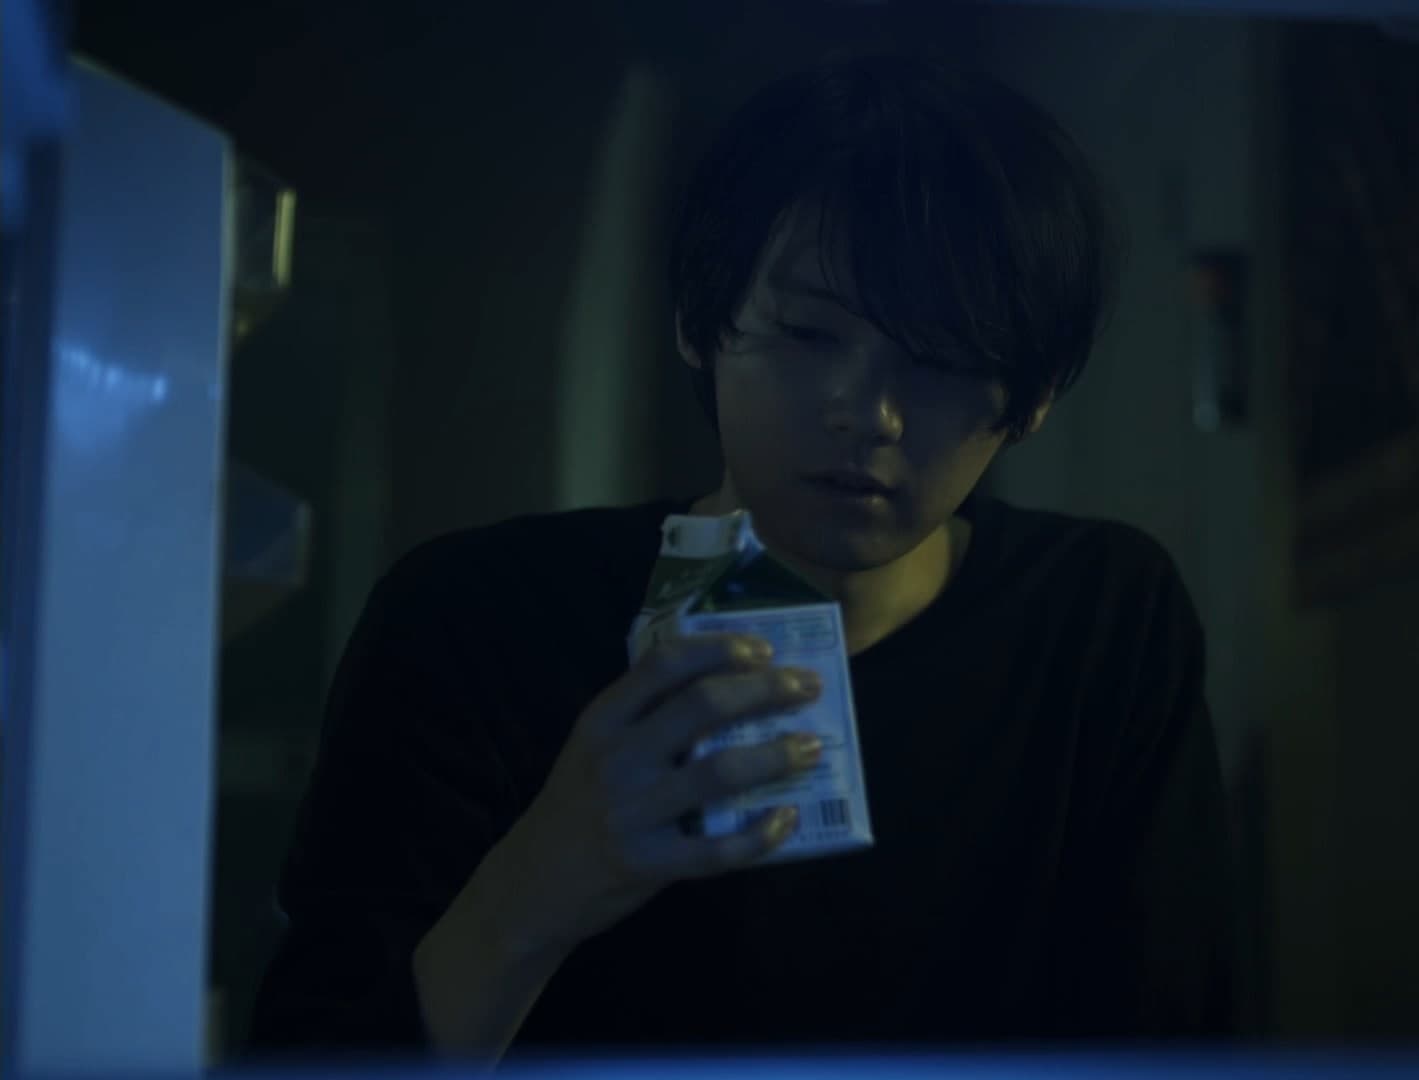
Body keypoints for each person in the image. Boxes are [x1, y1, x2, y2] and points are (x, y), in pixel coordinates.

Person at [247, 52, 1239, 1062]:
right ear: (700, 324)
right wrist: (542, 881)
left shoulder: (1102, 620)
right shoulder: (470, 620)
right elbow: (316, 1052)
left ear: (1032, 398)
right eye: (808, 334)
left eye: (944, 359)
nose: (870, 413)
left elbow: (1173, 1033)